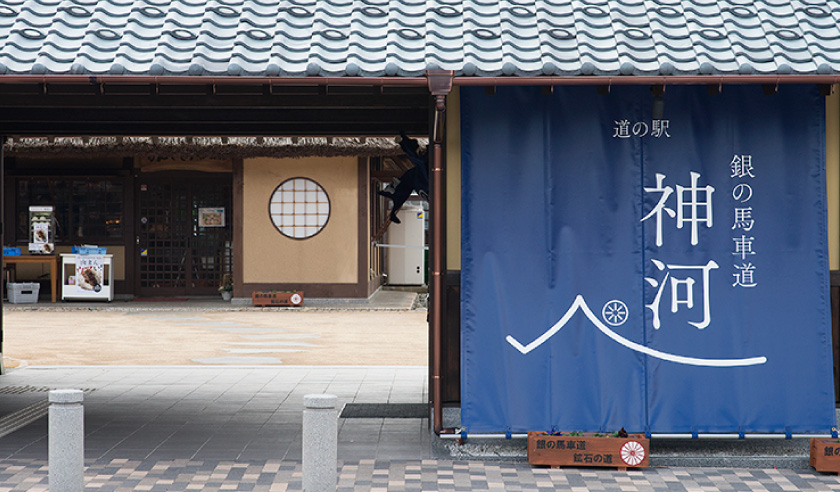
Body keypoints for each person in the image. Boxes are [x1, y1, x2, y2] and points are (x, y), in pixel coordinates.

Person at [378, 131, 429, 223]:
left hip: (423, 179)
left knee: (419, 162)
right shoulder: (418, 176)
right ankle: (405, 142)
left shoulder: (417, 176)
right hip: (423, 179)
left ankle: (405, 142)